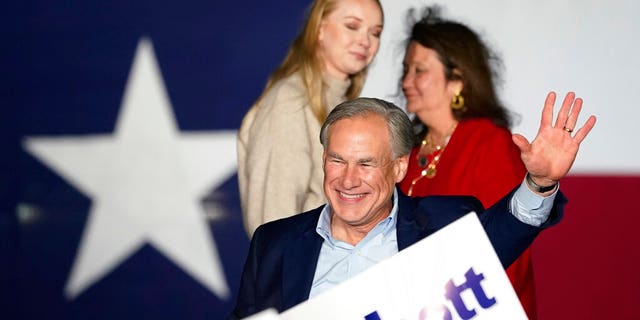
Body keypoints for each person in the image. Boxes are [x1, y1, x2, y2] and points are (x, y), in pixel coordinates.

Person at [230, 95, 596, 319]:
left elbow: (508, 230)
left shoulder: (444, 224)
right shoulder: (274, 244)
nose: (348, 179)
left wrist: (539, 182)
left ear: (400, 167)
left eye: (367, 163)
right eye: (337, 160)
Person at [396, 6, 536, 317]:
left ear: (457, 80)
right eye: (406, 69)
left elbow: (509, 249)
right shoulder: (407, 150)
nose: (406, 81)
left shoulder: (489, 142)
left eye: (419, 70)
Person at [237, 0, 384, 238]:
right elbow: (270, 223)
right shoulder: (290, 101)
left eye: (375, 33)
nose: (365, 41)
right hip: (305, 273)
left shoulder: (344, 106)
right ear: (320, 30)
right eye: (352, 26)